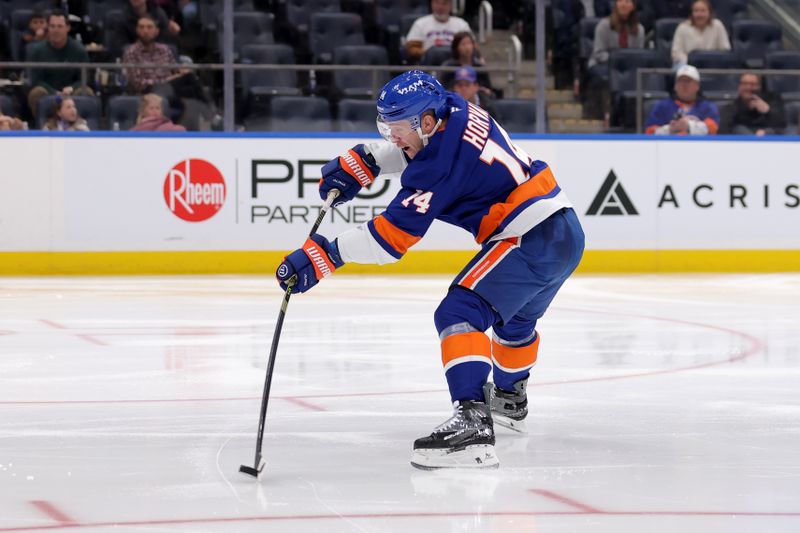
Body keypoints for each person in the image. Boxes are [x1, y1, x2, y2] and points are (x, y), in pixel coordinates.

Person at [274, 71, 585, 469]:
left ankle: (473, 422)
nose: (393, 136)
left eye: (397, 127)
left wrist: (326, 255)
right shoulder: (454, 108)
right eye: (385, 127)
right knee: (514, 322)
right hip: (563, 229)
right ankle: (510, 399)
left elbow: (390, 240)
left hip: (529, 237)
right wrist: (368, 161)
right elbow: (417, 149)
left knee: (459, 314)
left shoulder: (437, 165)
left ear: (424, 121)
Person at [584, 0, 645, 121]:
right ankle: (606, 114)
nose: (624, 4)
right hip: (603, 63)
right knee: (608, 77)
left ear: (633, 6)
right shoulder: (604, 25)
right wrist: (617, 60)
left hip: (628, 67)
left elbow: (639, 54)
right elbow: (598, 53)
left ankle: (629, 116)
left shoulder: (639, 29)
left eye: (628, 2)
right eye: (621, 1)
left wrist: (625, 63)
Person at [27, 10, 93, 117]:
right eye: (52, 26)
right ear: (47, 28)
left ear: (67, 28)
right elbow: (36, 80)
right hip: (48, 91)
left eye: (60, 26)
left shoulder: (79, 50)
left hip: (71, 92)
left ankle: (79, 125)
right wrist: (54, 92)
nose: (56, 30)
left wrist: (71, 88)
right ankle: (43, 126)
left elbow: (85, 78)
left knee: (87, 91)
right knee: (36, 92)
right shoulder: (37, 50)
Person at [645, 64, 719, 135]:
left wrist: (688, 126)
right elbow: (650, 131)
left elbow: (713, 129)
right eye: (680, 81)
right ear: (675, 86)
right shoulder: (662, 106)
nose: (684, 85)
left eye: (688, 81)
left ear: (697, 86)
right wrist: (670, 129)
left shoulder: (707, 107)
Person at [122, 14, 184, 94]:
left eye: (149, 27)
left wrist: (182, 71)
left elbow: (176, 71)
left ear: (157, 31)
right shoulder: (131, 52)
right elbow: (138, 84)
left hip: (169, 89)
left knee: (189, 80)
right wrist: (166, 81)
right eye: (141, 27)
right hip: (146, 93)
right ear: (137, 30)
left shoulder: (165, 49)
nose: (145, 31)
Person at [405, 0, 472, 64]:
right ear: (431, 3)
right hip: (428, 65)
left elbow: (472, 47)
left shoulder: (462, 24)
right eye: (437, 2)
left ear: (451, 5)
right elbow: (411, 49)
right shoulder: (420, 23)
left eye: (444, 3)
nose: (440, 7)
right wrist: (430, 53)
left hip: (455, 66)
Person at [721, 72, 786, 136]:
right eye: (744, 84)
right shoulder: (731, 107)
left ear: (759, 86)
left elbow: (782, 125)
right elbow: (723, 132)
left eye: (752, 84)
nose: (748, 87)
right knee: (739, 129)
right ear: (739, 87)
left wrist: (767, 111)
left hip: (769, 143)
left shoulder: (773, 99)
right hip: (743, 143)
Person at [671, 0, 730, 67]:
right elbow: (676, 53)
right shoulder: (682, 27)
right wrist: (691, 61)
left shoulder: (718, 25)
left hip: (713, 66)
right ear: (692, 13)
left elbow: (725, 50)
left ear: (709, 13)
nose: (699, 15)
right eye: (696, 11)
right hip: (687, 65)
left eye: (703, 11)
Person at [440, 31, 492, 96]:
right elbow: (443, 89)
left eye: (469, 43)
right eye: (463, 44)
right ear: (456, 47)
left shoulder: (479, 67)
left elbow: (488, 89)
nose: (467, 47)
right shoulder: (448, 67)